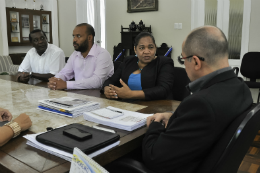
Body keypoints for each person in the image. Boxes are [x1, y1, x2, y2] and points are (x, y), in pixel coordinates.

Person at [142, 26, 253, 173]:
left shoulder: (201, 104)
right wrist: (174, 116)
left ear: (195, 62)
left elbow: (153, 157)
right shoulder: (240, 88)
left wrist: (156, 124)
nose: (184, 64)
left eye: (183, 60)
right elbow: (206, 122)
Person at [102, 32, 174, 100]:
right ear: (135, 49)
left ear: (155, 48)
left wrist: (131, 94)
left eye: (150, 47)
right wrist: (107, 89)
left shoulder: (165, 62)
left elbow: (163, 89)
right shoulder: (128, 61)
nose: (146, 51)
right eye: (142, 48)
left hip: (156, 107)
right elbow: (111, 80)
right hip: (128, 105)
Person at [47, 23, 113, 90]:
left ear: (89, 38)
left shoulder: (102, 54)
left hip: (98, 97)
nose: (74, 40)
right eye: (74, 36)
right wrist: (55, 81)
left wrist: (66, 84)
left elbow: (97, 81)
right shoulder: (75, 54)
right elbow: (65, 73)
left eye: (78, 36)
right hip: (78, 94)